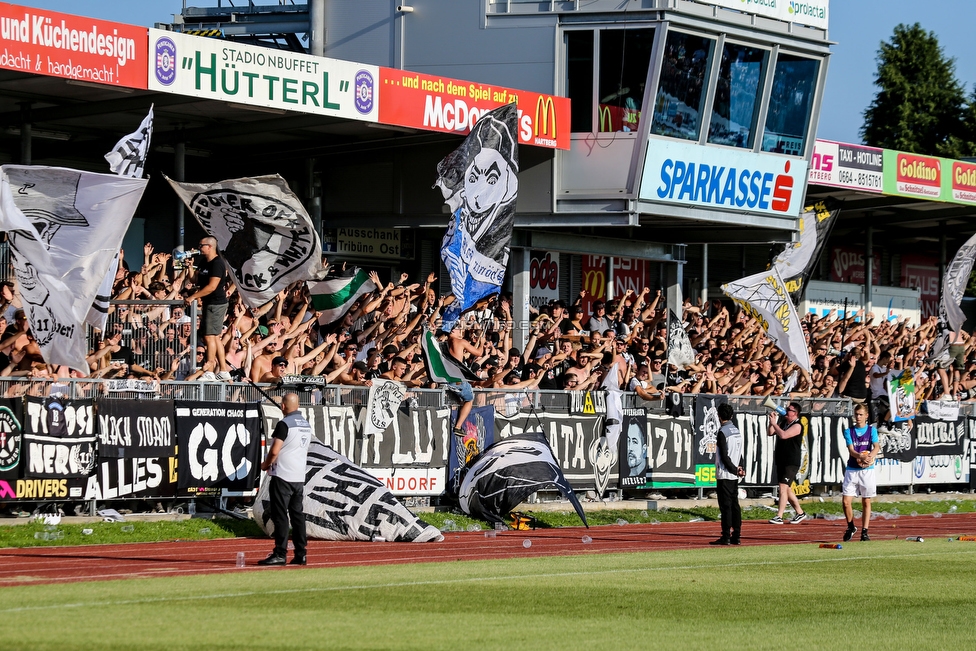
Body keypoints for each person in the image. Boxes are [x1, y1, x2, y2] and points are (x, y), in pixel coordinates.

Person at [258, 392, 312, 566]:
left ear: (283, 406)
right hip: (298, 476)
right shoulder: (306, 424)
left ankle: (280, 553)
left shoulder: (284, 424)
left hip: (282, 475)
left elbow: (275, 450)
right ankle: (301, 554)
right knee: (298, 516)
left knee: (281, 516)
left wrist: (265, 465)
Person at [185, 237, 231, 380]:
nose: (198, 247)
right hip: (208, 303)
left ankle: (210, 371)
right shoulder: (204, 262)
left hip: (216, 303)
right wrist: (189, 267)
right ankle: (223, 370)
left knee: (209, 336)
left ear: (210, 246)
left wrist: (193, 297)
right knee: (215, 337)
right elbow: (194, 280)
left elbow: (212, 287)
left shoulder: (217, 264)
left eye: (201, 245)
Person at [842, 403, 880, 542]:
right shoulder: (849, 431)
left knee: (866, 500)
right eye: (856, 414)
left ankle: (865, 531)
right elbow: (852, 451)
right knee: (846, 501)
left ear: (866, 416)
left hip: (867, 471)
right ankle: (851, 526)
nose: (858, 417)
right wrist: (860, 456)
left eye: (860, 415)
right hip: (852, 469)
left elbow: (876, 446)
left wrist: (871, 456)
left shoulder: (871, 431)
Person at [766, 401, 807, 525]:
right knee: (787, 489)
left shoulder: (798, 425)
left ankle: (779, 516)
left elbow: (783, 435)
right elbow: (770, 433)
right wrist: (772, 422)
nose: (786, 411)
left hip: (791, 461)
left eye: (789, 410)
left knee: (782, 488)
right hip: (781, 459)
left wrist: (775, 424)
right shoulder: (783, 423)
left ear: (795, 414)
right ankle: (800, 513)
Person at [711, 403, 745, 545]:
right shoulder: (736, 430)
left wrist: (733, 469)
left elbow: (724, 456)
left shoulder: (722, 432)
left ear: (719, 416)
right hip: (734, 474)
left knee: (726, 506)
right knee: (734, 505)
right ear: (731, 416)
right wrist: (740, 468)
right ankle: (736, 535)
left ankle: (725, 536)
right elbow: (740, 452)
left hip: (725, 474)